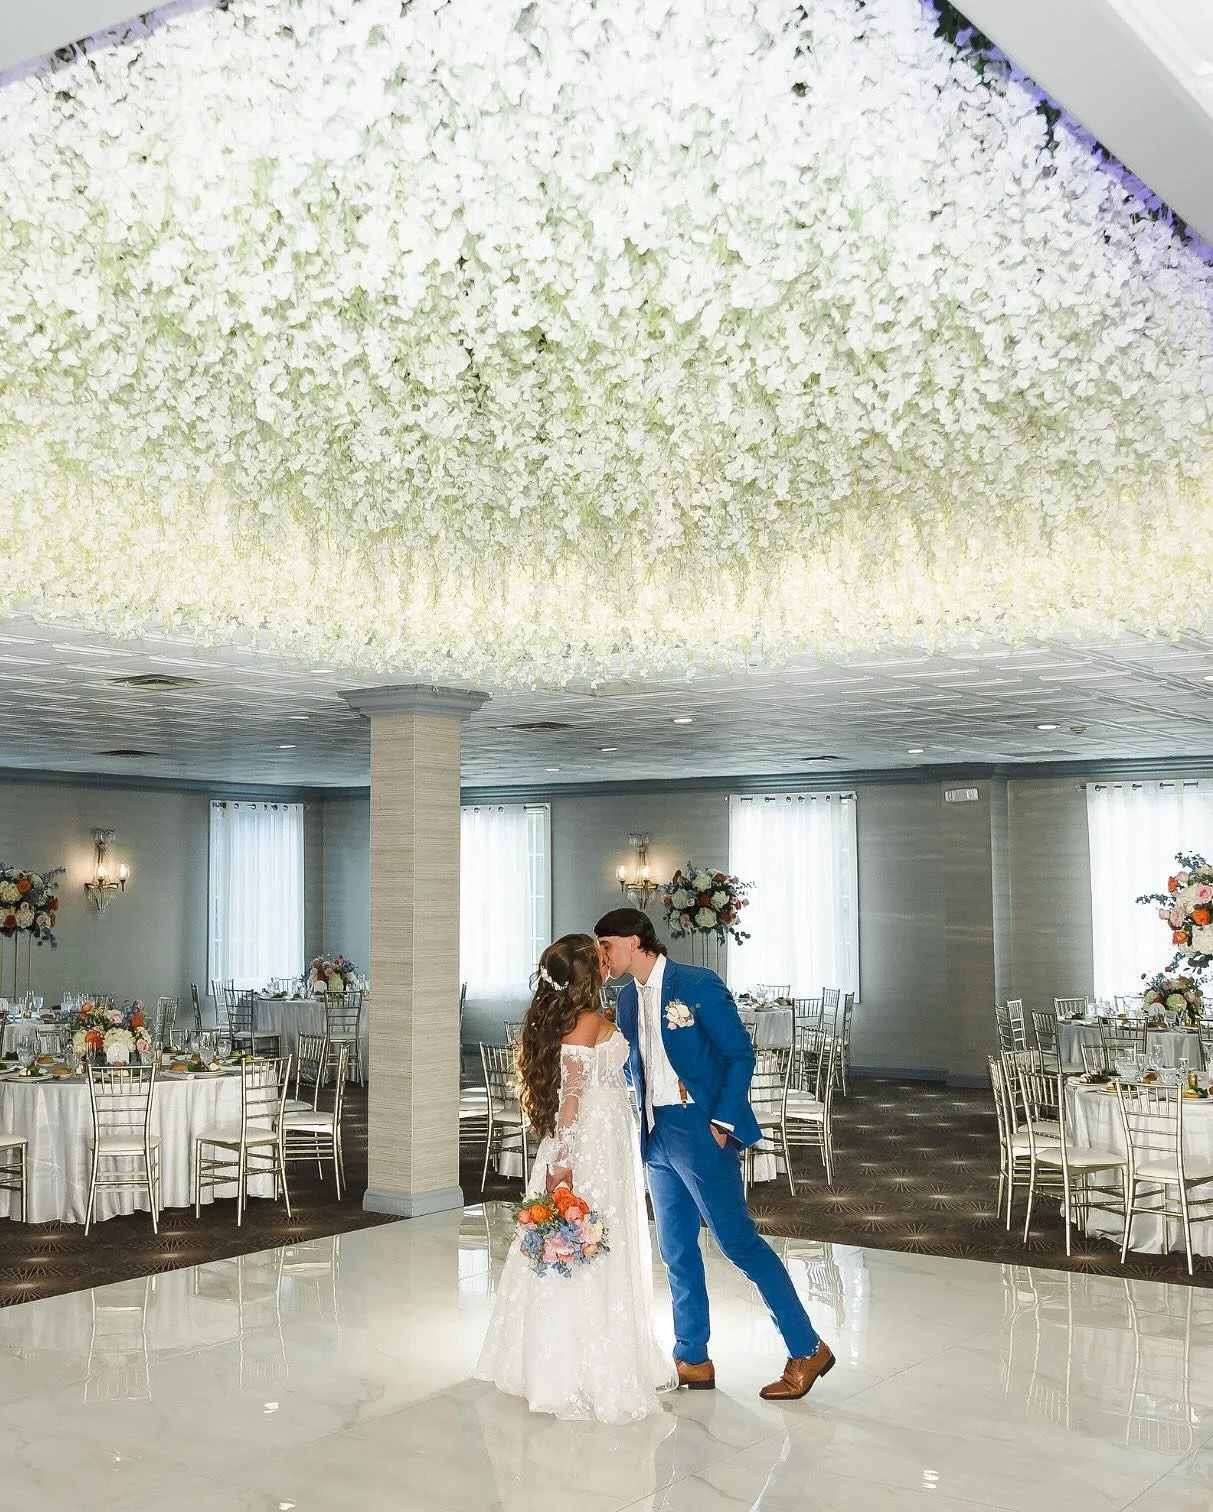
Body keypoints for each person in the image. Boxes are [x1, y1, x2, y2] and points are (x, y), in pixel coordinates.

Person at [595, 906, 833, 1402]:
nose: (603, 956)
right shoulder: (625, 999)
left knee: (738, 1243)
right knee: (676, 1249)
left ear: (635, 942)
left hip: (700, 1130)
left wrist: (722, 1122)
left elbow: (739, 1054)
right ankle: (692, 1358)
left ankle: (807, 1348)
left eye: (607, 945)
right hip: (656, 1132)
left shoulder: (696, 984)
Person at [475, 932, 676, 1421]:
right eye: (599, 955)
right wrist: (562, 1162)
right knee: (589, 1238)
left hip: (607, 1135)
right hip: (589, 1142)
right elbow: (570, 1097)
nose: (608, 959)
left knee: (602, 1236)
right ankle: (576, 1364)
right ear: (589, 972)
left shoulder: (582, 1016)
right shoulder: (584, 1021)